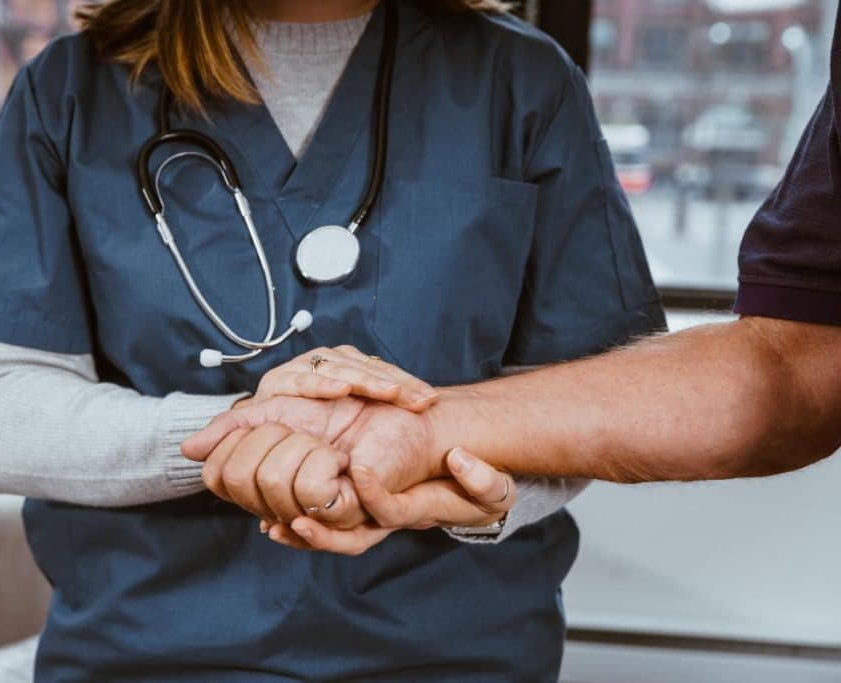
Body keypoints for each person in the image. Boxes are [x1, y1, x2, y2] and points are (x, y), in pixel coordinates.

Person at [0, 0, 664, 679]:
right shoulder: (74, 87)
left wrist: (457, 490)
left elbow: (584, 406)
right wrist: (233, 436)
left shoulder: (520, 80)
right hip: (150, 650)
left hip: (453, 650)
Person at [187, 1, 841, 557]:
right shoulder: (83, 89)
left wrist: (445, 457)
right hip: (135, 624)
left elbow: (600, 385)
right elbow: (793, 365)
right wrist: (246, 429)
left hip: (449, 632)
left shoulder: (522, 80)